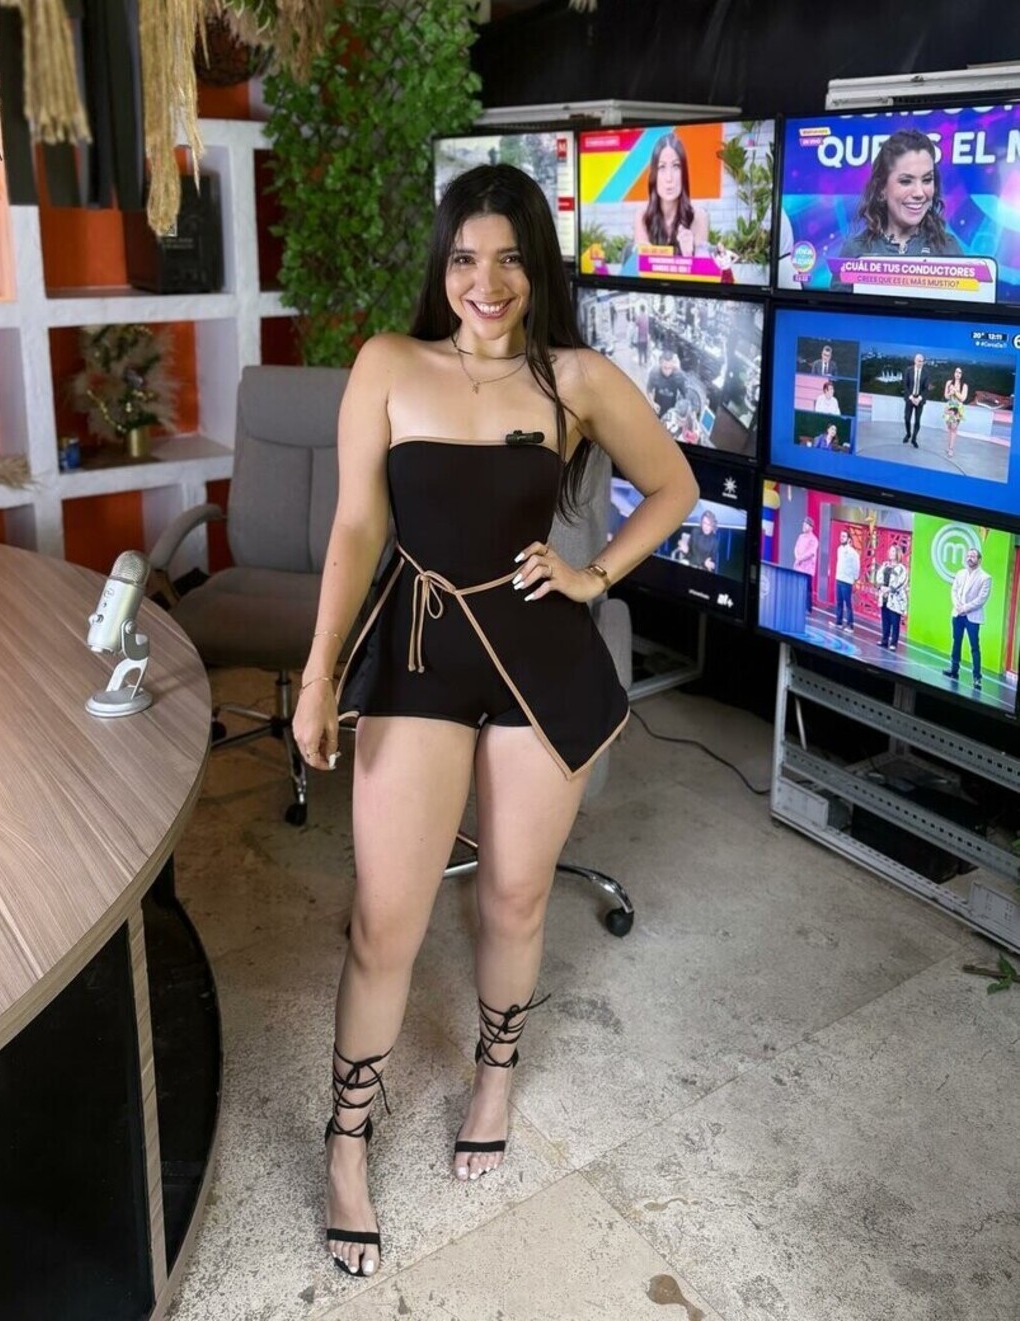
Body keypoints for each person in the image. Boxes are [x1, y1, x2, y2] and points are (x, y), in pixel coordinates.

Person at [292, 163, 698, 1280]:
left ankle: (495, 1077)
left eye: (511, 257)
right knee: (385, 919)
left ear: (537, 268)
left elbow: (673, 486)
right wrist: (319, 674)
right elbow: (356, 527)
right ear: (443, 265)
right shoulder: (388, 362)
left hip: (536, 659)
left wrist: (592, 574)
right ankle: (346, 1141)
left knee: (516, 895)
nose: (488, 281)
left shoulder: (576, 377)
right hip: (420, 652)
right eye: (467, 257)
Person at [833, 129, 963, 287]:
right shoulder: (855, 251)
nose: (919, 193)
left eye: (927, 180)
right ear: (882, 189)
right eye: (906, 181)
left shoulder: (948, 249)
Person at [633, 133, 710, 256]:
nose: (669, 178)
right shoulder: (642, 216)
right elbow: (642, 263)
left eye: (676, 166)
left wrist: (688, 254)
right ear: (654, 176)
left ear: (683, 173)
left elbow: (702, 266)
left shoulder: (699, 217)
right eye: (662, 167)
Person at [943, 546, 992, 690]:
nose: (970, 558)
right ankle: (954, 669)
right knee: (956, 642)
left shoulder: (985, 578)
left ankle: (977, 677)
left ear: (979, 560)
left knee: (974, 647)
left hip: (972, 617)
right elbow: (954, 591)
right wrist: (958, 605)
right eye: (968, 556)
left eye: (973, 556)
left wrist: (965, 608)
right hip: (957, 613)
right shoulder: (960, 573)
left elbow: (981, 599)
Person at [874, 543, 909, 650]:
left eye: (893, 551)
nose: (891, 553)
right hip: (884, 598)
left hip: (896, 600)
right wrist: (881, 587)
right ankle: (884, 640)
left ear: (897, 553)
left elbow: (902, 582)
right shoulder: (885, 565)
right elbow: (878, 577)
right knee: (885, 621)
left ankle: (893, 643)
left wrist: (890, 589)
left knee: (895, 622)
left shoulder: (901, 568)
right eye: (890, 551)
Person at [646, 348, 688, 418]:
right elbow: (649, 390)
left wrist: (678, 409)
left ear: (673, 365)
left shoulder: (679, 376)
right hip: (657, 408)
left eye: (670, 368)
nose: (667, 371)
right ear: (660, 364)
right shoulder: (654, 373)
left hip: (672, 411)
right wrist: (653, 403)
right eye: (665, 368)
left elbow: (685, 395)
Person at [834, 529, 860, 631]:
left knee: (848, 603)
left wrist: (855, 579)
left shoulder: (853, 552)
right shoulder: (839, 549)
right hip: (839, 578)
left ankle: (850, 625)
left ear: (849, 539)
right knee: (839, 602)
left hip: (847, 581)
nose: (842, 538)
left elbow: (856, 566)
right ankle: (839, 622)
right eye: (841, 536)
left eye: (844, 536)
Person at [902, 352, 930, 447]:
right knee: (907, 418)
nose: (920, 363)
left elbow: (926, 388)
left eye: (922, 361)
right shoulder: (908, 370)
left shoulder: (926, 372)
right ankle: (908, 434)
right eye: (919, 361)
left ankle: (914, 438)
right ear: (915, 361)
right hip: (910, 398)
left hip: (920, 399)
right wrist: (911, 397)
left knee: (917, 421)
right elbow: (905, 385)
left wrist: (919, 398)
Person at [793, 516, 819, 612]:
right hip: (798, 567)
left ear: (811, 527)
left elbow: (811, 553)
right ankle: (798, 605)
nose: (803, 526)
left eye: (806, 525)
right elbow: (796, 548)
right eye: (803, 524)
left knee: (807, 589)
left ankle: (808, 608)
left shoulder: (814, 540)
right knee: (797, 587)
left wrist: (800, 559)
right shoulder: (800, 537)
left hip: (807, 569)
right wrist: (797, 557)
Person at [943, 365, 968, 459]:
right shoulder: (949, 383)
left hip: (957, 408)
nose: (958, 374)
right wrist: (950, 392)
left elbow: (963, 398)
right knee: (949, 427)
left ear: (962, 374)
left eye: (960, 373)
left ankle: (951, 449)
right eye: (956, 372)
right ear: (954, 373)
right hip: (949, 406)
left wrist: (955, 392)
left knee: (954, 428)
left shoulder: (964, 385)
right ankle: (948, 446)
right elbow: (946, 396)